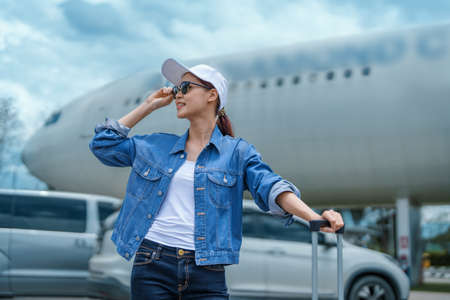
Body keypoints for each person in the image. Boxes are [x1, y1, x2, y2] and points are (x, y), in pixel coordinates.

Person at [89, 58, 344, 300]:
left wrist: (314, 217)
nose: (178, 94)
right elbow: (103, 144)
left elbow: (271, 187)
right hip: (152, 260)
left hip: (206, 269)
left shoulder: (237, 153)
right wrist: (149, 105)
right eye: (177, 88)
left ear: (212, 95)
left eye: (186, 87)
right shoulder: (155, 146)